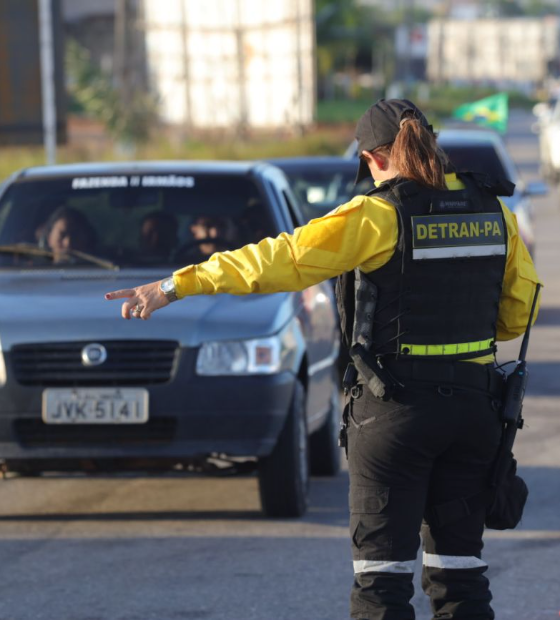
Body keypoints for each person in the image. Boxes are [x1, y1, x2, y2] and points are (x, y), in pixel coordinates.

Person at [105, 99, 541, 619]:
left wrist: (176, 284)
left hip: (394, 414)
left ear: (373, 158)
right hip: (475, 410)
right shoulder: (496, 212)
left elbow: (281, 260)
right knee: (461, 580)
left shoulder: (376, 215)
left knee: (382, 587)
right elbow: (516, 316)